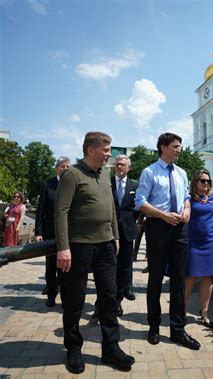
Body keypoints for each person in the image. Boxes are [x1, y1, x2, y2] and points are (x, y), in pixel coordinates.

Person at [55, 132, 135, 374]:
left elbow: (111, 207)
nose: (110, 154)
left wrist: (116, 236)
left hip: (106, 246)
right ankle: (73, 348)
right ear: (91, 149)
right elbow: (61, 211)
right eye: (107, 149)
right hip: (78, 247)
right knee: (74, 299)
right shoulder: (72, 175)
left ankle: (111, 348)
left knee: (109, 298)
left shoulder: (104, 173)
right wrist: (63, 247)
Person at [135, 132, 200, 350]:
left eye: (180, 146)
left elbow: (186, 197)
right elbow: (140, 202)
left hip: (180, 229)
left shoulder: (182, 173)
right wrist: (163, 215)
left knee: (179, 279)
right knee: (155, 278)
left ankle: (178, 330)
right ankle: (153, 326)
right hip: (158, 228)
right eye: (175, 146)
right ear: (163, 147)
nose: (179, 149)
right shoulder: (149, 172)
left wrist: (188, 207)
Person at [184, 170, 213, 329]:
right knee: (190, 277)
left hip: (210, 241)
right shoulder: (189, 198)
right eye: (202, 181)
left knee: (208, 277)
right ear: (195, 182)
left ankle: (204, 312)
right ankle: (181, 312)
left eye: (208, 181)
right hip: (193, 242)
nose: (206, 184)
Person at [35, 156, 71, 307]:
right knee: (50, 267)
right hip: (50, 232)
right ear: (57, 168)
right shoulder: (47, 184)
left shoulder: (72, 184)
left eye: (68, 167)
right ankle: (51, 294)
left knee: (65, 267)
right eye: (63, 166)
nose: (65, 169)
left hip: (68, 233)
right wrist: (38, 232)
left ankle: (66, 296)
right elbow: (40, 211)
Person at [111, 155, 138, 315]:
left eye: (122, 165)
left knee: (124, 267)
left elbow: (138, 208)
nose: (119, 167)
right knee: (109, 266)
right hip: (109, 231)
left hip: (127, 231)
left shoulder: (135, 184)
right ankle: (107, 298)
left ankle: (119, 299)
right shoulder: (108, 183)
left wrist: (131, 222)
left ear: (128, 167)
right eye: (117, 165)